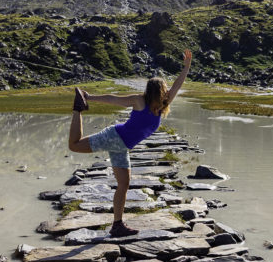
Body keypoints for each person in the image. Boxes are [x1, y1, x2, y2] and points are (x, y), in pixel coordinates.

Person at [68, 50, 192, 237]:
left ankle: (117, 225)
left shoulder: (162, 105)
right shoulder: (139, 101)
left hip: (122, 147)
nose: (167, 91)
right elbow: (113, 99)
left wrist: (187, 66)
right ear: (157, 90)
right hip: (114, 137)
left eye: (167, 89)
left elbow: (177, 85)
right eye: (164, 88)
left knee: (124, 185)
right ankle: (78, 110)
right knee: (74, 145)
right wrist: (90, 97)